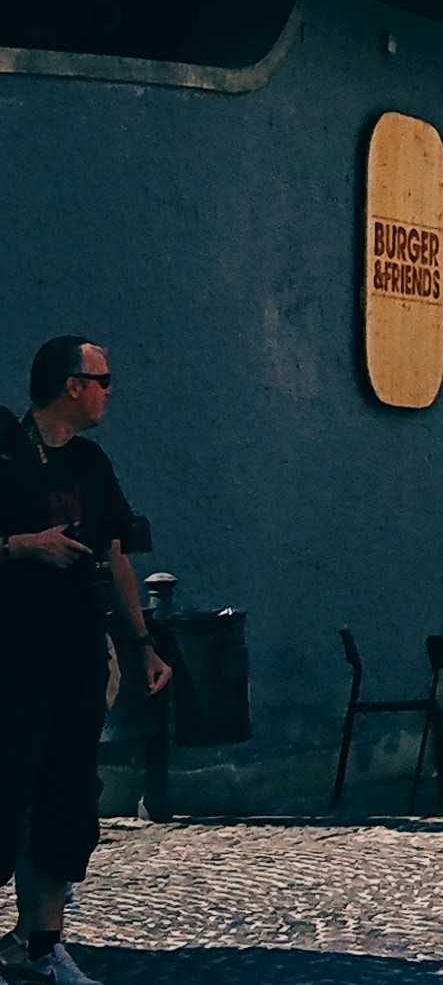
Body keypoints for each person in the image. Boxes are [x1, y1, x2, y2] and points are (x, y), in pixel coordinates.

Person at [2, 337, 170, 985]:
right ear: (71, 384)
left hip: (72, 656)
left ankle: (43, 947)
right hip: (10, 655)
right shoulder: (7, 452)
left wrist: (141, 642)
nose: (108, 391)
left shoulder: (94, 464)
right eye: (103, 379)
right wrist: (21, 547)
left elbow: (116, 560)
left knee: (67, 804)